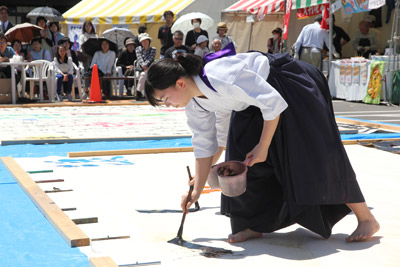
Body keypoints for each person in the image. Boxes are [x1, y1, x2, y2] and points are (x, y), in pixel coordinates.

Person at [144, 50, 380, 244]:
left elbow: (273, 103)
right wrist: (196, 188)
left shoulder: (220, 75)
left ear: (180, 83)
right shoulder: (194, 104)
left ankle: (366, 217)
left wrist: (263, 146)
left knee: (313, 152)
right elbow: (205, 143)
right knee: (239, 158)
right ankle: (254, 224)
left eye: (166, 98)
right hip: (252, 104)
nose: (169, 104)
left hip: (285, 84)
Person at [79, 20, 98, 99]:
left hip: (94, 56)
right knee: (87, 73)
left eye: (89, 26)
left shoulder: (95, 35)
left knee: (94, 72)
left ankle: (94, 90)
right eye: (86, 26)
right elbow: (81, 46)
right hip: (86, 56)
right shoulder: (82, 36)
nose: (88, 27)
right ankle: (86, 90)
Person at [135, 33, 156, 100]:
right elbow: (139, 58)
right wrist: (143, 65)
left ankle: (138, 92)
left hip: (149, 67)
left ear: (149, 41)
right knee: (141, 75)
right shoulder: (138, 49)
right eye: (143, 41)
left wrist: (145, 65)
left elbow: (150, 58)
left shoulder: (153, 49)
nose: (144, 42)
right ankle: (142, 93)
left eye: (146, 40)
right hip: (140, 68)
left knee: (143, 75)